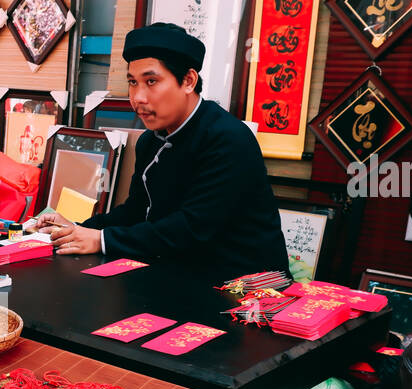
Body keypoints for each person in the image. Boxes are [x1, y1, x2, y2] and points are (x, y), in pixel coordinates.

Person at [37, 22, 289, 285]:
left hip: (246, 286)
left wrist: (101, 240)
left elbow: (192, 228)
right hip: (182, 272)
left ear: (189, 81)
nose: (138, 97)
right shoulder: (150, 141)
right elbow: (135, 211)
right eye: (133, 83)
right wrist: (79, 228)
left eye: (151, 81)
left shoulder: (228, 138)